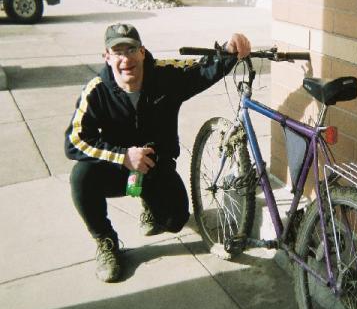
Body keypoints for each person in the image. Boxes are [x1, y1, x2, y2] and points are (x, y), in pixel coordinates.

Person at [65, 23, 250, 282]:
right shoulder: (96, 90)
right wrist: (123, 156)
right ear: (107, 57)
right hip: (115, 170)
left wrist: (230, 50)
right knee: (81, 177)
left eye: (131, 49)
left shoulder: (164, 74)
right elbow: (73, 141)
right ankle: (105, 241)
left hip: (156, 169)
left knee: (175, 220)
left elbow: (201, 70)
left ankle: (148, 202)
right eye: (117, 52)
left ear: (142, 51)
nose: (125, 59)